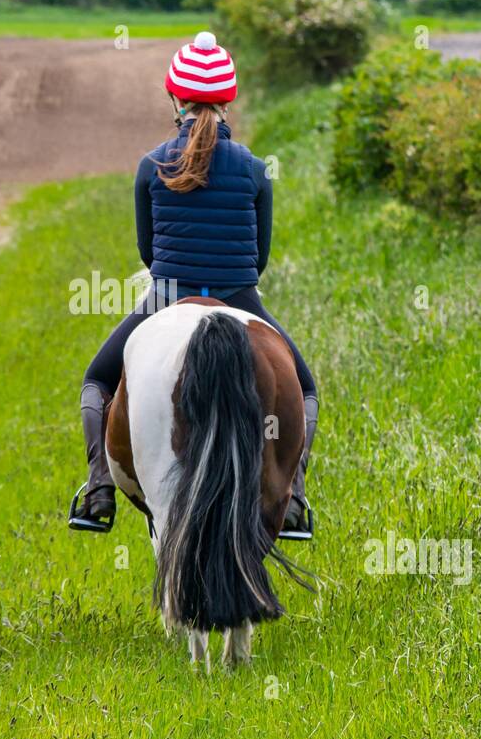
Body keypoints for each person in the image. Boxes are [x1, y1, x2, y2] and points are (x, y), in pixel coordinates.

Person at [69, 31, 318, 540]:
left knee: (97, 381)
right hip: (239, 294)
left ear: (174, 98)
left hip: (166, 294)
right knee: (307, 389)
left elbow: (147, 250)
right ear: (228, 99)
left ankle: (98, 489)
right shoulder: (253, 169)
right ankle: (292, 497)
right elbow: (261, 256)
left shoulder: (151, 164)